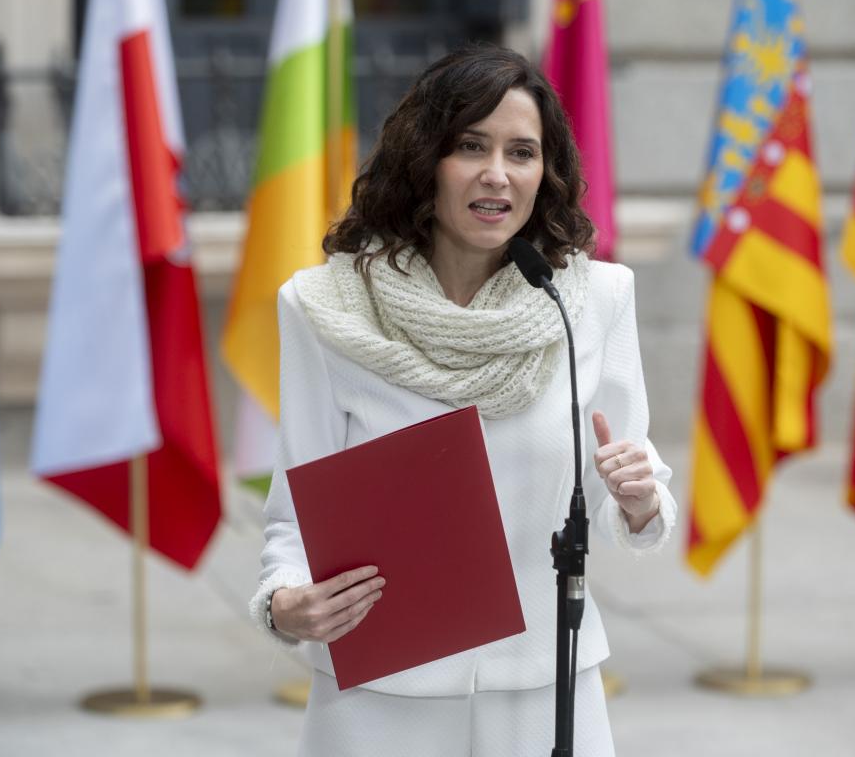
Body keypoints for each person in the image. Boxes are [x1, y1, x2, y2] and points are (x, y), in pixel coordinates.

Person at [249, 44, 676, 756]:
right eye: (471, 146)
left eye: (522, 152)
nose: (496, 173)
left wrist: (638, 499)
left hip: (544, 688)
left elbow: (625, 497)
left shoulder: (592, 301)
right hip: (380, 695)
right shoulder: (325, 309)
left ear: (545, 174)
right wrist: (284, 604)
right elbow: (297, 513)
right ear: (425, 161)